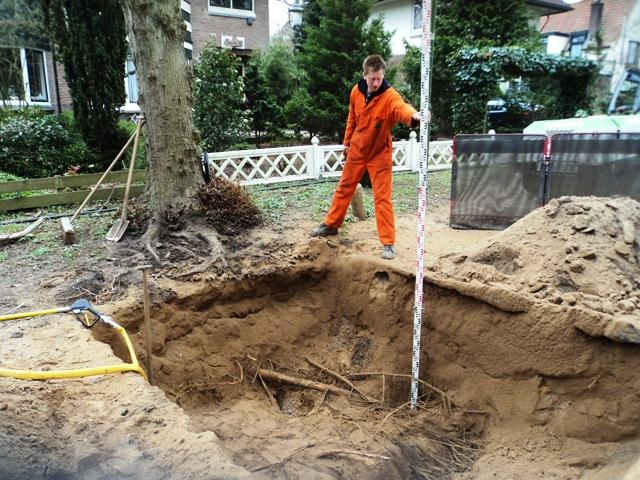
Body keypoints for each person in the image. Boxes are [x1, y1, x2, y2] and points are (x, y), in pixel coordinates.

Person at [310, 54, 421, 260]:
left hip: (380, 153)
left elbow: (401, 108)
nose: (377, 83)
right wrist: (346, 143)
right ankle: (332, 225)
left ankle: (388, 243)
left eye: (380, 78)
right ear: (365, 76)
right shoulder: (355, 92)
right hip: (357, 149)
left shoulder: (389, 96)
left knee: (382, 198)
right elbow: (352, 118)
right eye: (373, 79)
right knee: (344, 187)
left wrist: (414, 116)